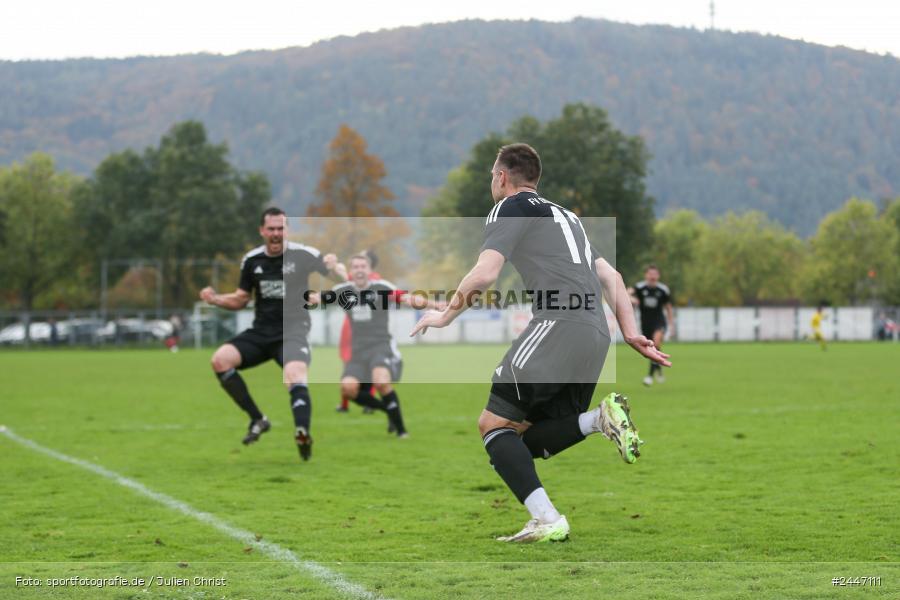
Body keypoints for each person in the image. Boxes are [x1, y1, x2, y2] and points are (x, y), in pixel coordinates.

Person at [411, 143, 671, 543]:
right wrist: (631, 332)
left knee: (492, 426)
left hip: (558, 324)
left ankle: (548, 519)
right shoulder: (569, 218)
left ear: (502, 177)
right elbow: (613, 279)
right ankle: (597, 419)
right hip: (596, 334)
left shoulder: (509, 207)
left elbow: (484, 274)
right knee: (522, 437)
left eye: (491, 176)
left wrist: (445, 315)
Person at [200, 207, 345, 461]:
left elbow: (339, 279)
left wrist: (335, 268)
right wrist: (215, 299)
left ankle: (302, 432)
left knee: (295, 376)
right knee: (220, 360)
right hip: (260, 333)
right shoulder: (252, 260)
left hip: (293, 332)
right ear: (262, 231)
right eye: (271, 229)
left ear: (286, 230)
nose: (276, 233)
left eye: (281, 228)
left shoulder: (304, 254)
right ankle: (258, 419)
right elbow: (241, 299)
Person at [331, 253, 443, 437]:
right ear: (351, 271)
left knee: (381, 382)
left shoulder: (381, 287)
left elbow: (407, 299)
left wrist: (434, 304)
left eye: (363, 266)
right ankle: (388, 410)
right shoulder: (342, 290)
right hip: (358, 351)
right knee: (347, 389)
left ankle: (402, 431)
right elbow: (316, 298)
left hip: (380, 345)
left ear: (369, 270)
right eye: (356, 267)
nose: (359, 270)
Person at [336, 249, 381, 414]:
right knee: (349, 366)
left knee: (368, 368)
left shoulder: (375, 281)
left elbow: (356, 285)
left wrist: (341, 272)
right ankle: (346, 403)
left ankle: (370, 403)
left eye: (363, 262)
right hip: (350, 326)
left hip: (364, 332)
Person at [629, 265, 675, 386]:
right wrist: (632, 299)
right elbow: (625, 293)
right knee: (652, 348)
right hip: (645, 323)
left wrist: (671, 325)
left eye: (655, 274)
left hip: (659, 321)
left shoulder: (663, 290)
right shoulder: (639, 287)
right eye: (650, 274)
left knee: (656, 342)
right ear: (646, 275)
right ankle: (658, 370)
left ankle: (649, 376)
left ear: (658, 276)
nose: (653, 276)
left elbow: (668, 307)